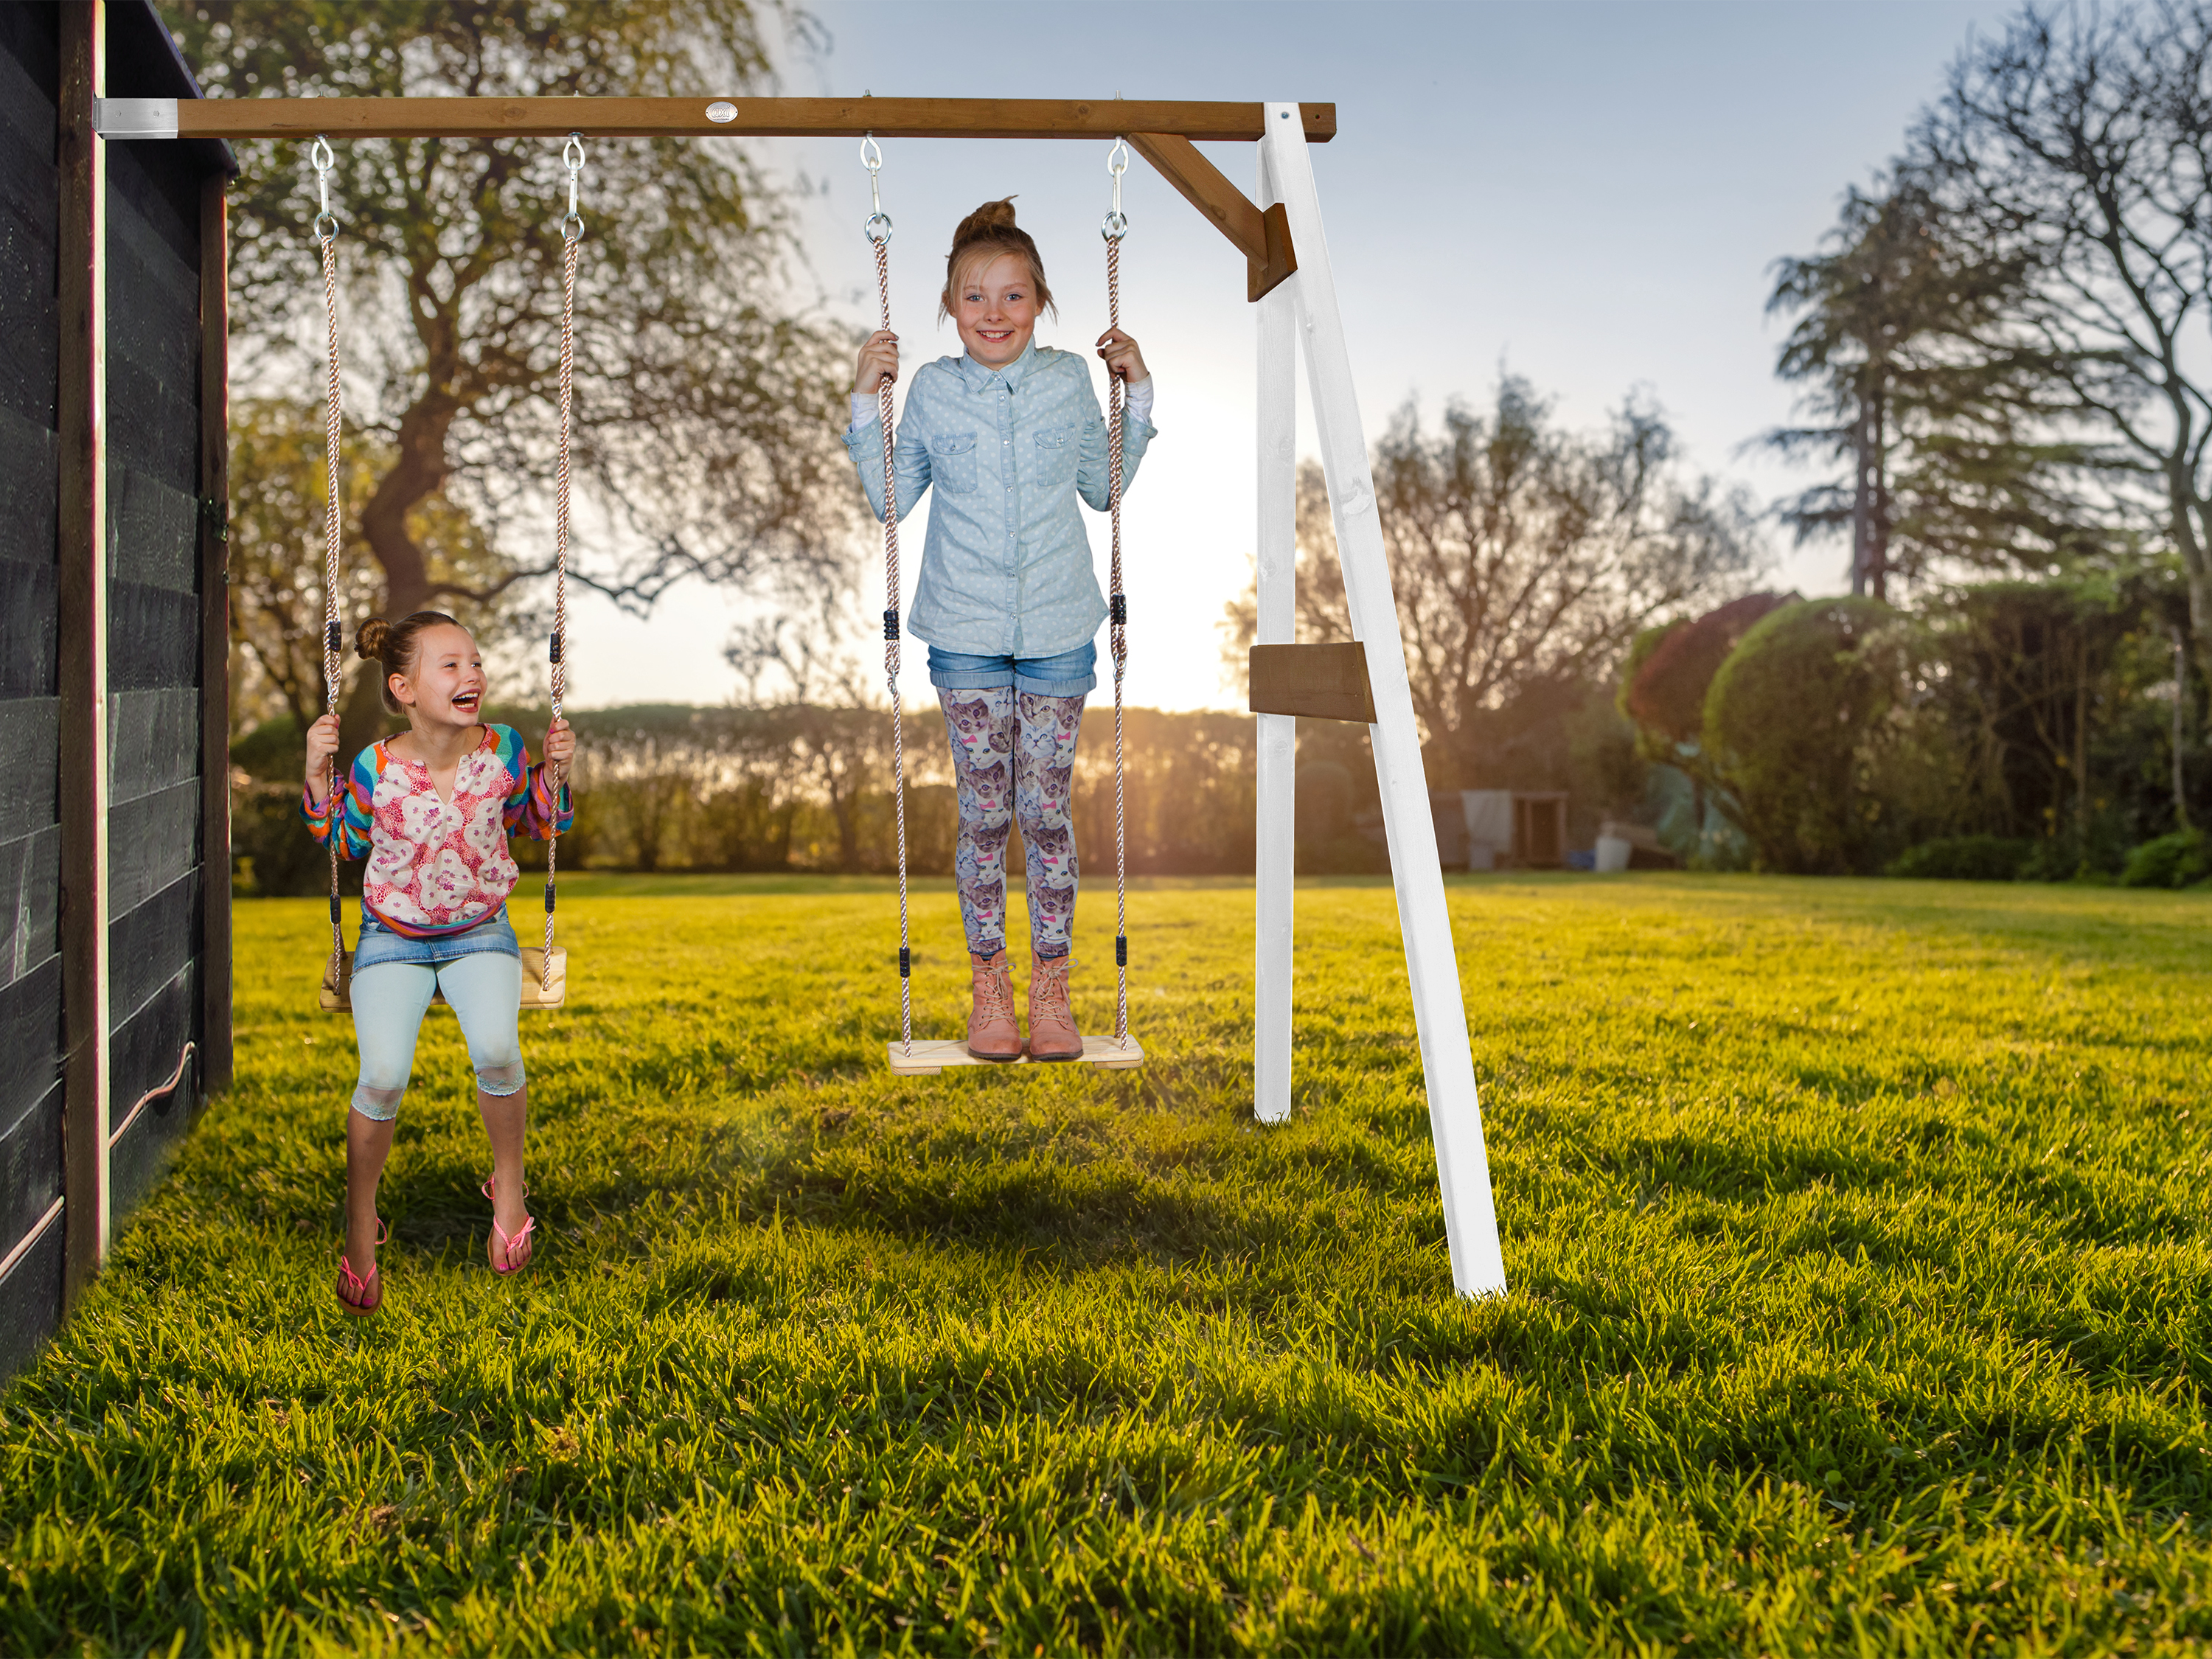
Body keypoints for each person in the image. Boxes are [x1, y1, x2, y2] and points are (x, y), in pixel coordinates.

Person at [847, 197, 1155, 1062]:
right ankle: (991, 991)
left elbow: (1105, 486)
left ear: (1041, 303)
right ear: (949, 308)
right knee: (985, 816)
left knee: (1045, 812)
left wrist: (1139, 389)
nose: (993, 313)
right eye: (975, 297)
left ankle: (1053, 990)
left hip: (1059, 628)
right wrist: (859, 398)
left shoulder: (1066, 379)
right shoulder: (935, 391)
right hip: (965, 633)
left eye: (1013, 296)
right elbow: (891, 500)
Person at [303, 612, 574, 1313]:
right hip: (392, 936)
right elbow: (339, 840)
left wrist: (557, 776)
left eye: (475, 663)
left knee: (497, 1050)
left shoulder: (505, 750)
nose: (471, 675)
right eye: (450, 666)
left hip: (481, 929)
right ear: (404, 688)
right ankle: (362, 1220)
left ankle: (507, 1187)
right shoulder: (373, 767)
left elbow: (537, 823)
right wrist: (313, 768)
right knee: (384, 1076)